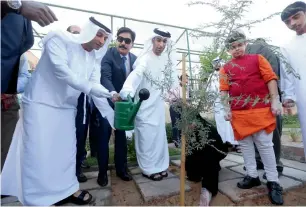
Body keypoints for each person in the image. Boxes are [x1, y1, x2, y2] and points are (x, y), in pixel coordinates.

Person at [1, 17, 114, 206]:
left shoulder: (94, 57)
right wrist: (101, 91)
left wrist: (112, 103)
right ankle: (39, 198)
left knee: (66, 153)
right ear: (89, 31)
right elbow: (64, 73)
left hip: (66, 109)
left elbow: (94, 86)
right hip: (40, 105)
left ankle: (66, 189)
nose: (101, 41)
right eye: (99, 35)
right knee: (40, 153)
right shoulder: (59, 39)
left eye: (105, 38)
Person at [219, 30, 283, 205]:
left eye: (240, 45)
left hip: (261, 110)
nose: (237, 49)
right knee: (245, 146)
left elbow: (270, 79)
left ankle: (273, 181)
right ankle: (252, 175)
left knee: (265, 145)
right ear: (228, 49)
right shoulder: (226, 68)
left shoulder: (258, 59)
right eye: (233, 47)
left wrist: (275, 101)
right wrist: (226, 108)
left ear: (245, 43)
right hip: (239, 114)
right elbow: (224, 89)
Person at [1, 0, 57, 172]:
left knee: (7, 152)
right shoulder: (17, 6)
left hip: (7, 99)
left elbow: (23, 49)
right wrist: (16, 5)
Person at [119, 28, 179, 181]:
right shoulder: (145, 58)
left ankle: (160, 166)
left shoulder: (166, 61)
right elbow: (136, 74)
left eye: (164, 41)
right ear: (152, 41)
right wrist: (128, 88)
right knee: (146, 138)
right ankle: (148, 169)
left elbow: (171, 81)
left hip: (158, 107)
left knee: (159, 138)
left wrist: (177, 95)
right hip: (144, 107)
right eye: (158, 40)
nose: (161, 44)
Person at [97, 27, 137, 186]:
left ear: (132, 44)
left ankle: (122, 170)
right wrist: (113, 93)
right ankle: (102, 173)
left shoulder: (135, 59)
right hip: (107, 102)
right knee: (104, 138)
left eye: (127, 41)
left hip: (124, 106)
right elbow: (104, 77)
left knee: (121, 139)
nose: (123, 43)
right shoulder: (108, 54)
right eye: (120, 39)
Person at [245, 38, 284, 177]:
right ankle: (269, 163)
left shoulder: (257, 50)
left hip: (260, 98)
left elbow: (270, 75)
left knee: (264, 131)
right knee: (268, 131)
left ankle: (269, 163)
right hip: (263, 97)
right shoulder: (267, 52)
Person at [279, 1, 306, 159]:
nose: (293, 23)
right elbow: (287, 76)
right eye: (288, 22)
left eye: (296, 17)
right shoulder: (287, 47)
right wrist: (288, 97)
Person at [185, 114, 230, 206]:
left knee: (209, 162)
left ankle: (207, 191)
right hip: (203, 152)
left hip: (217, 151)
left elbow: (213, 154)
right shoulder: (191, 132)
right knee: (192, 161)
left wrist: (207, 188)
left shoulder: (207, 131)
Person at [208, 57, 239, 149]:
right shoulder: (212, 76)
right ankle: (224, 142)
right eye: (215, 62)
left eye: (218, 62)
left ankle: (235, 143)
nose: (217, 64)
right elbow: (210, 91)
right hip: (217, 103)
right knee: (221, 122)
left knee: (231, 121)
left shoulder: (228, 72)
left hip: (228, 100)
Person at [166, 74, 189, 148]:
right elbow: (168, 98)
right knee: (176, 124)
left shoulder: (187, 89)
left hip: (183, 108)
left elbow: (187, 99)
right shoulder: (175, 87)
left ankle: (182, 141)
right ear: (181, 80)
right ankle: (176, 141)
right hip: (175, 107)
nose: (187, 81)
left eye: (187, 79)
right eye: (186, 79)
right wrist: (177, 99)